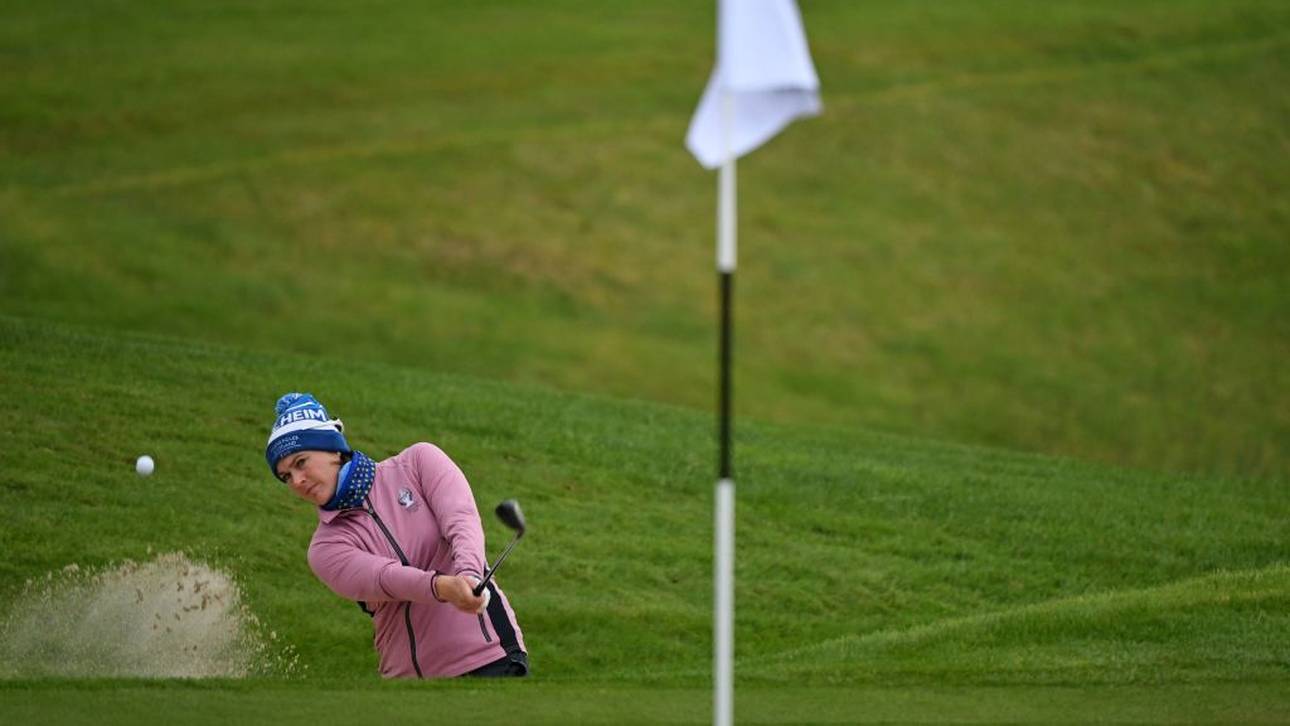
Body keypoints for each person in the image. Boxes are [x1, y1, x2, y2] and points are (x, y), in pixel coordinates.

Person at [264, 392, 528, 678]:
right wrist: (444, 587)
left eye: (301, 462)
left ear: (333, 450)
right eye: (285, 476)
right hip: (411, 679)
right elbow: (386, 578)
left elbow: (461, 521)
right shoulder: (325, 548)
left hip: (492, 656)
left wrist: (469, 575)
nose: (297, 481)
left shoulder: (418, 463)